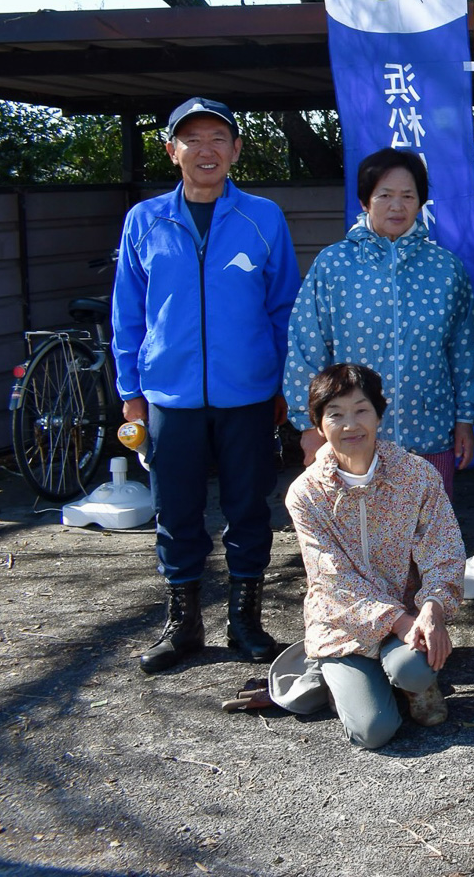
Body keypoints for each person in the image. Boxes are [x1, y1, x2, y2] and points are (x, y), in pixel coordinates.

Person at [112, 97, 301, 674]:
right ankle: (183, 622)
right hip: (169, 398)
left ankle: (245, 620)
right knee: (176, 510)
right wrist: (131, 391)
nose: (206, 150)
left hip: (248, 395)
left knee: (248, 508)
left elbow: (284, 307)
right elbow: (128, 314)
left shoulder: (262, 217)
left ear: (237, 149)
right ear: (172, 152)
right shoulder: (145, 220)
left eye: (218, 138)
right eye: (191, 139)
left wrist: (285, 386)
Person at [284, 148, 474, 497]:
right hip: (350, 437)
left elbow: (464, 350)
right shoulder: (333, 265)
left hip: (429, 434)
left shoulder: (445, 268)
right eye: (385, 195)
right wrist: (308, 424)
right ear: (365, 201)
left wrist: (465, 419)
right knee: (357, 541)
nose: (397, 205)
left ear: (421, 202)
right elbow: (306, 347)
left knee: (429, 541)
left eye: (408, 196)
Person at [283, 364, 465, 749]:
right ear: (318, 426)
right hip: (342, 623)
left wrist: (433, 607)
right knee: (373, 731)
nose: (350, 425)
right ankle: (340, 676)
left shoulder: (417, 475)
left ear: (380, 415)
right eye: (335, 414)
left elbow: (444, 550)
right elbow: (332, 580)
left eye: (361, 410)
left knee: (413, 670)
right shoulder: (305, 494)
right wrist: (399, 623)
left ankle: (403, 679)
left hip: (408, 614)